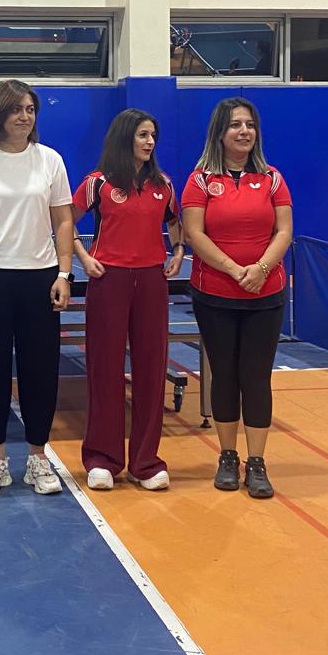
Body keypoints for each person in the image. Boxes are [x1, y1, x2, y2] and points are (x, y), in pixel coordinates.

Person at [0, 79, 75, 496]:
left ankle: (38, 457)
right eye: (17, 109)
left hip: (40, 278)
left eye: (30, 109)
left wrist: (63, 274)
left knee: (40, 370)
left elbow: (63, 219)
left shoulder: (50, 161)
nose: (25, 116)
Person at [181, 97, 293, 500]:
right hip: (215, 294)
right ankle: (227, 456)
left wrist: (260, 269)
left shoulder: (273, 178)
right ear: (219, 133)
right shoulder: (199, 180)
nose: (244, 131)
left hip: (266, 293)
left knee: (256, 376)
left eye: (249, 124)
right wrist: (233, 269)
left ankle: (257, 462)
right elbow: (194, 233)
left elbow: (284, 231)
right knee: (225, 375)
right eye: (235, 125)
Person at [72, 110, 184, 492]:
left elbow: (174, 222)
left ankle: (145, 462)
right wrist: (83, 257)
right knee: (105, 368)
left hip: (152, 281)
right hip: (109, 280)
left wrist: (178, 251)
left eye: (153, 135)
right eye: (142, 135)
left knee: (152, 369)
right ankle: (102, 459)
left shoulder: (164, 184)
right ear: (124, 138)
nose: (150, 142)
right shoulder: (97, 182)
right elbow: (65, 220)